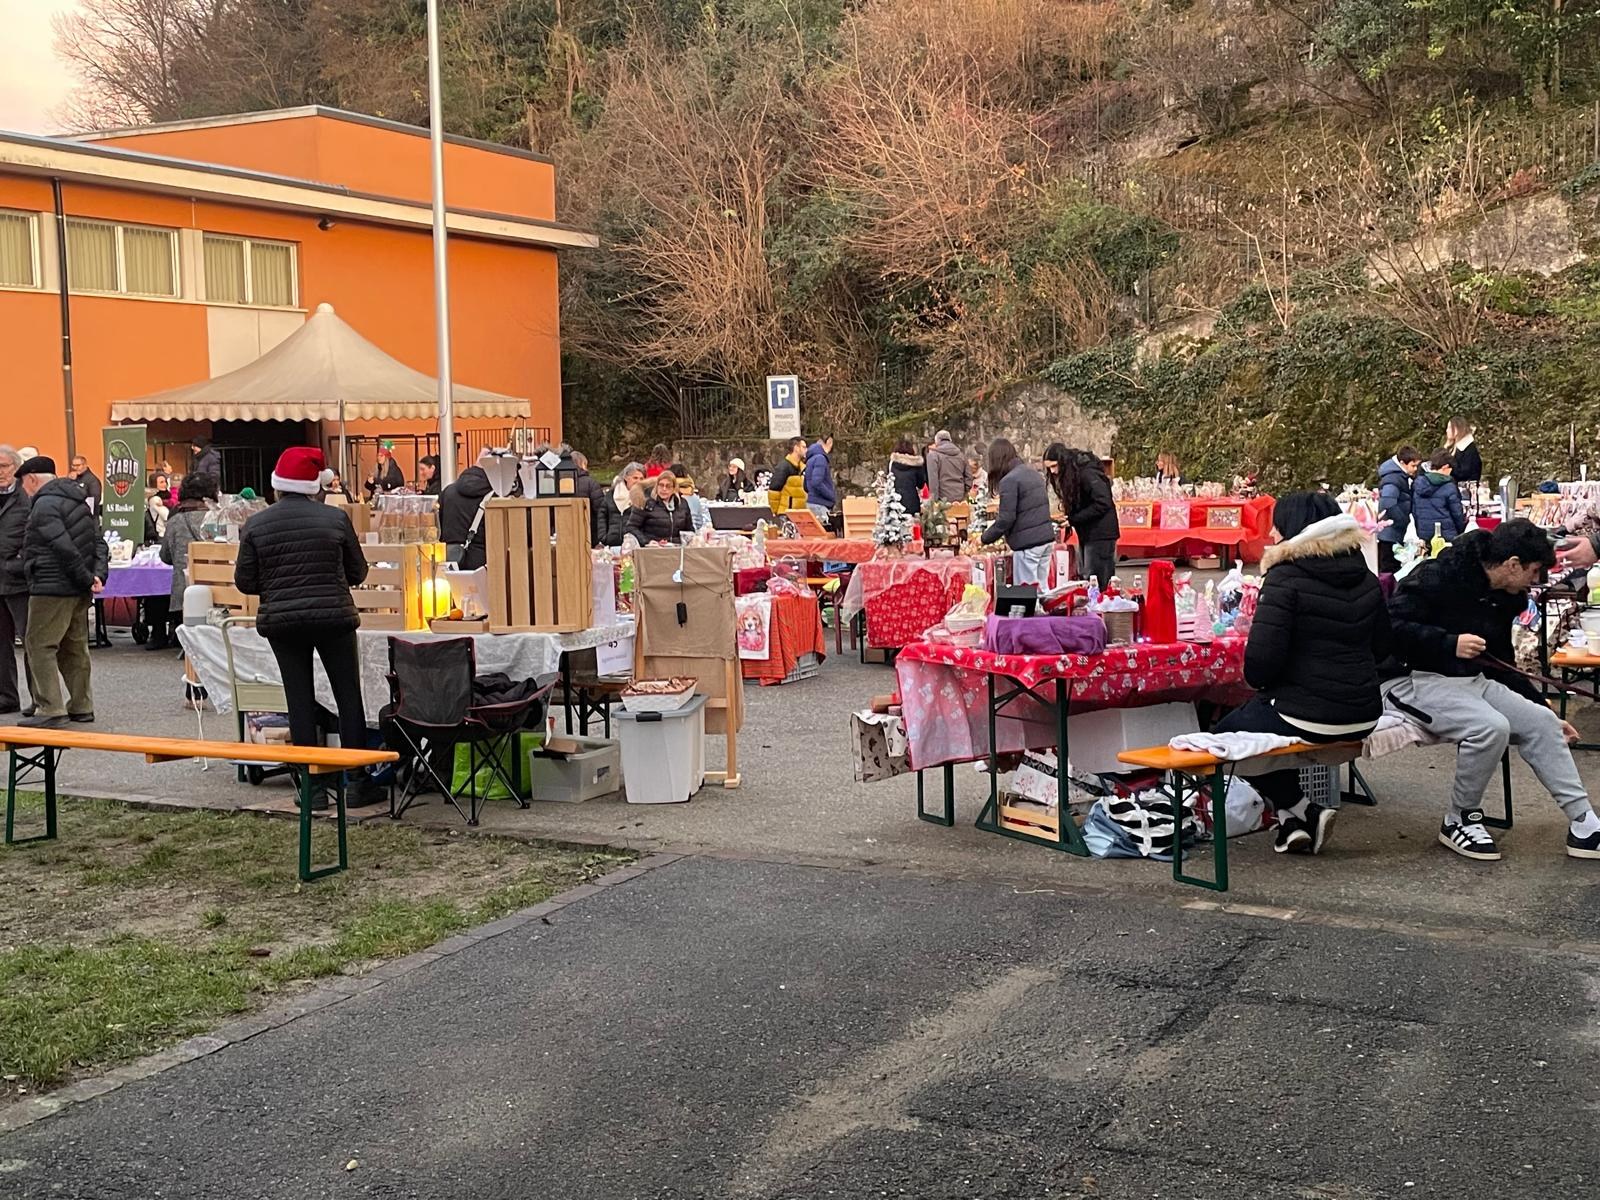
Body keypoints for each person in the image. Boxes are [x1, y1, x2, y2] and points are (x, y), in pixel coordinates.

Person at [1383, 518, 1600, 862]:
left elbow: (1502, 663)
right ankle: (1459, 818)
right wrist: (1448, 643)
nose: (1535, 581)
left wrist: (1538, 705)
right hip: (1412, 680)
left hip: (1471, 681)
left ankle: (1585, 825)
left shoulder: (1505, 594)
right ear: (1513, 564)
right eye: (1534, 572)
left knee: (1543, 722)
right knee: (1490, 727)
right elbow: (1388, 629)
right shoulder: (1436, 575)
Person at [1209, 493, 1390, 854]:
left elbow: (1259, 667)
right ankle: (1291, 823)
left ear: (1293, 529)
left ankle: (1302, 807)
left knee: (1222, 736)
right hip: (1364, 713)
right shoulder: (1366, 576)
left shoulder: (1285, 577)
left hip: (1309, 716)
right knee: (1263, 721)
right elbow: (1384, 649)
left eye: (1276, 526)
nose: (1272, 534)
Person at [235, 448, 383, 809]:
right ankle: (357, 781)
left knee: (298, 700)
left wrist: (278, 586)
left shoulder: (256, 524)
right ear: (315, 486)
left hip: (283, 621)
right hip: (334, 617)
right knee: (348, 696)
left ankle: (311, 788)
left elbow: (245, 581)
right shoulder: (335, 518)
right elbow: (358, 572)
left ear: (277, 486)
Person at [16, 455, 106, 728]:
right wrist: (96, 575)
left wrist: (85, 577)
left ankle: (50, 708)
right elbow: (98, 541)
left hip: (51, 585)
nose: (24, 490)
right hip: (77, 588)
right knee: (74, 646)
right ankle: (81, 705)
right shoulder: (77, 500)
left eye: (24, 484)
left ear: (32, 479)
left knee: (39, 645)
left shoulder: (44, 505)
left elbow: (62, 547)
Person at [148, 471, 218, 651]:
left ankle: (161, 635)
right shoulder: (219, 518)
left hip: (185, 594)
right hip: (218, 592)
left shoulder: (175, 520)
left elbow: (165, 557)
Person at [1044, 444, 1120, 589]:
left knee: (1096, 580)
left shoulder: (1087, 473)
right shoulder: (1077, 473)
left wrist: (1074, 519)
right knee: (1088, 579)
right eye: (1049, 468)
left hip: (1101, 534)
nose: (1052, 471)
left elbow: (1103, 502)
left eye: (1054, 466)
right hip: (1090, 532)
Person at [980, 439, 1054, 585]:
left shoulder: (1009, 481)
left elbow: (1006, 518)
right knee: (1042, 590)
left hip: (1028, 545)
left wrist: (985, 538)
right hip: (1045, 539)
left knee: (1026, 592)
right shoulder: (1033, 474)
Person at [0, 446, 34, 717]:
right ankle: (6, 697)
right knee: (1, 644)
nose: (0, 472)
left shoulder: (26, 497)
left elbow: (34, 535)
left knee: (31, 643)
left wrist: (18, 562)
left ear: (16, 467)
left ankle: (40, 698)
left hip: (20, 580)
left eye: (4, 466)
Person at [438, 459, 494, 569]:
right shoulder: (497, 495)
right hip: (484, 563)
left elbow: (438, 526)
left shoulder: (448, 491)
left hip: (450, 561)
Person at [1375, 445, 1422, 574]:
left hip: (1393, 531)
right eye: (1413, 465)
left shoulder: (1399, 477)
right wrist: (1401, 520)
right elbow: (1388, 503)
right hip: (1390, 532)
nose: (1415, 469)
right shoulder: (1393, 479)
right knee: (1389, 569)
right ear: (1402, 463)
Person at [1413, 449, 1465, 546]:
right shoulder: (1449, 486)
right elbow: (1457, 514)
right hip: (1446, 535)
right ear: (1445, 467)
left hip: (1424, 534)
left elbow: (1415, 512)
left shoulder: (1418, 484)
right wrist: (1461, 531)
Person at [625, 471, 694, 544]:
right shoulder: (644, 502)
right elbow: (631, 527)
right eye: (661, 485)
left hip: (677, 547)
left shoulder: (682, 504)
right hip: (652, 548)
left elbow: (689, 530)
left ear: (673, 489)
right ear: (656, 486)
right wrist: (647, 542)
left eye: (668, 486)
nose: (664, 489)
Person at [569, 452, 613, 547]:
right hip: (588, 530)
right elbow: (600, 508)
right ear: (583, 464)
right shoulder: (590, 483)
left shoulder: (560, 482)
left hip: (565, 529)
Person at [603, 462, 645, 547]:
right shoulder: (611, 495)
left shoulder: (645, 497)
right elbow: (602, 517)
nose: (638, 481)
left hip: (635, 545)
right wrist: (603, 538)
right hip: (612, 544)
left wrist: (643, 540)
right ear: (626, 477)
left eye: (641, 478)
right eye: (635, 478)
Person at [925, 430, 971, 503]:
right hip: (960, 497)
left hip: (943, 499)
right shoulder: (961, 455)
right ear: (950, 440)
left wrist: (934, 501)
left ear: (937, 441)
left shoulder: (933, 456)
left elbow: (933, 480)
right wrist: (965, 492)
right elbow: (969, 477)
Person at [803, 435, 837, 528]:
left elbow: (805, 485)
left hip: (811, 502)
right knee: (825, 533)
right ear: (828, 442)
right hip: (820, 504)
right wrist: (831, 496)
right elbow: (816, 482)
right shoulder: (820, 458)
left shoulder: (810, 460)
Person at [889, 437, 926, 520]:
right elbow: (921, 484)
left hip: (895, 502)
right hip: (912, 502)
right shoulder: (916, 465)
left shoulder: (892, 464)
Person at [767, 437, 807, 513]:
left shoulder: (802, 467)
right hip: (786, 512)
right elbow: (774, 490)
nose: (806, 450)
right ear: (796, 448)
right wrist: (775, 511)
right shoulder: (784, 466)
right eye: (803, 447)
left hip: (800, 512)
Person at [1446, 417, 1482, 487]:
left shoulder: (1468, 449)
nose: (1447, 430)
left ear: (1456, 430)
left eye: (1449, 428)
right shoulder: (1452, 446)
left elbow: (1463, 473)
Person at [143, 473, 171, 545]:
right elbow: (166, 515)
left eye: (165, 481)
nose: (165, 484)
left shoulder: (169, 497)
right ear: (154, 484)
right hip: (161, 534)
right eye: (161, 482)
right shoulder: (155, 499)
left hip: (167, 532)